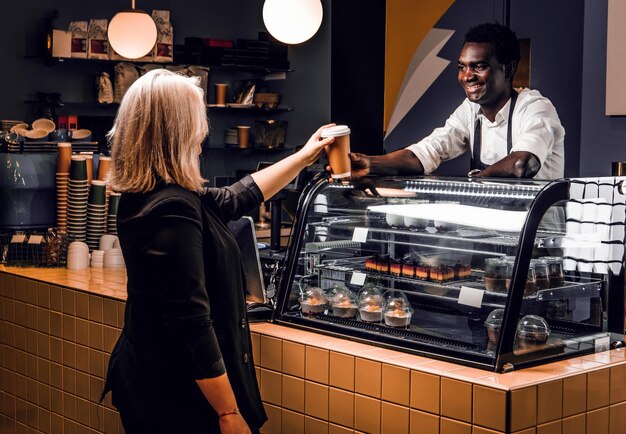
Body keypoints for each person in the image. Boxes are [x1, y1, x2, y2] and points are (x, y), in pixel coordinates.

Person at [101, 69, 336, 434]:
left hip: (156, 381)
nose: (203, 133)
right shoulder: (170, 209)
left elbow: (235, 197)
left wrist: (305, 156)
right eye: (196, 121)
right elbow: (190, 322)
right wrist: (228, 412)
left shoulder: (154, 194)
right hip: (176, 397)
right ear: (174, 131)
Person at [345, 22, 565, 180]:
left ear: (508, 69)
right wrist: (370, 163)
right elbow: (427, 152)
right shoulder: (470, 110)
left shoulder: (534, 107)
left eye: (479, 66)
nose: (467, 76)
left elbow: (523, 164)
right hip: (495, 231)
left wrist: (477, 180)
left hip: (539, 236)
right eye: (462, 67)